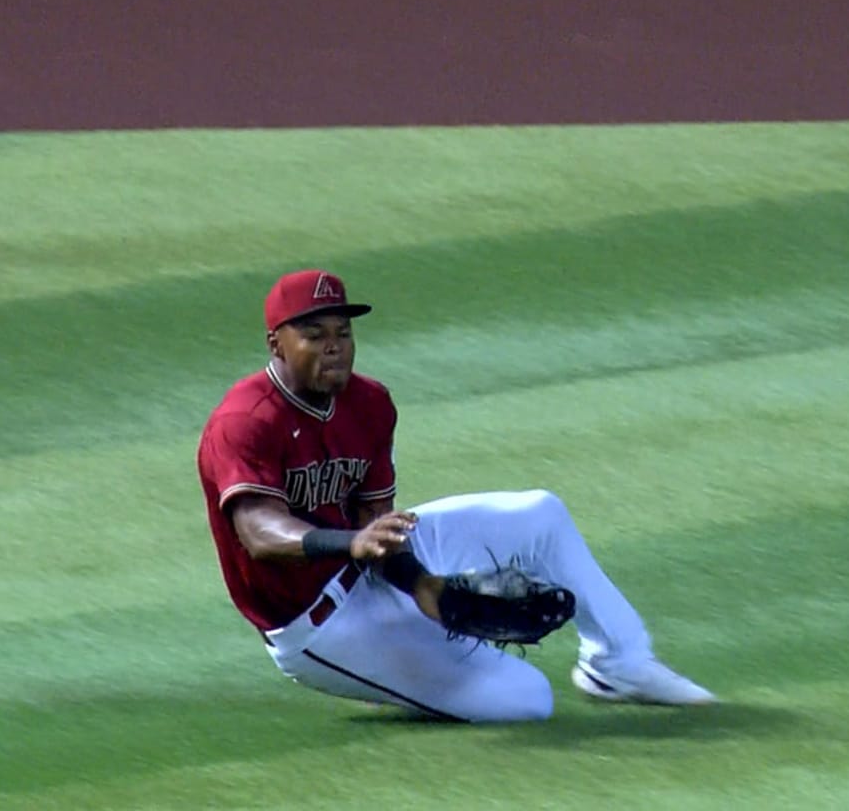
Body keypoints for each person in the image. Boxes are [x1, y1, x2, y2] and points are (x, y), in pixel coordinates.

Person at [196, 268, 715, 722]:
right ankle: (391, 678)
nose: (334, 346)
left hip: (367, 572)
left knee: (540, 515)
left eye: (343, 333)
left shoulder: (369, 403)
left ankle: (619, 664)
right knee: (528, 699)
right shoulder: (245, 420)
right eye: (314, 334)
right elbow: (259, 531)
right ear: (276, 345)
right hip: (317, 626)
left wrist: (421, 583)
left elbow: (378, 526)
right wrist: (351, 542)